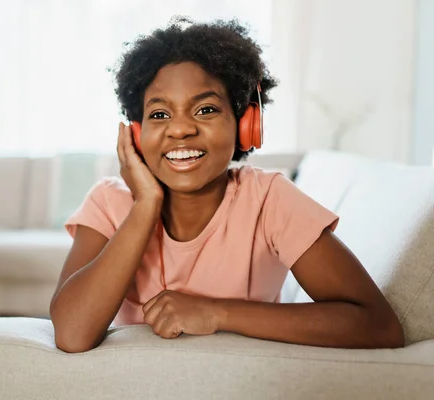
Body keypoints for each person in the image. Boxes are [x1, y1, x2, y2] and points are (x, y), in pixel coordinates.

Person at [49, 16, 404, 353]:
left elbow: (378, 325)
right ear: (136, 134)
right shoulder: (108, 203)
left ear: (245, 124)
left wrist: (215, 312)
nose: (180, 129)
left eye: (205, 110)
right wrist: (144, 206)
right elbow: (71, 333)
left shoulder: (269, 200)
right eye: (159, 114)